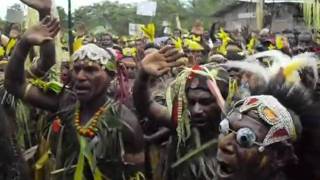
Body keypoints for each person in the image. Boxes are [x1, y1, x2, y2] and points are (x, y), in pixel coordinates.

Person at [5, 17, 145, 180]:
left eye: (90, 70)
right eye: (76, 69)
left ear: (111, 76)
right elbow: (13, 84)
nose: (80, 76)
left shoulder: (125, 122)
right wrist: (24, 43)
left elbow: (136, 175)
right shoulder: (64, 103)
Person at [133, 48, 229, 180]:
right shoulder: (182, 123)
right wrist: (143, 76)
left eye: (205, 102)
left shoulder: (235, 130)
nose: (196, 110)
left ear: (223, 100)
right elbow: (146, 106)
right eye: (191, 102)